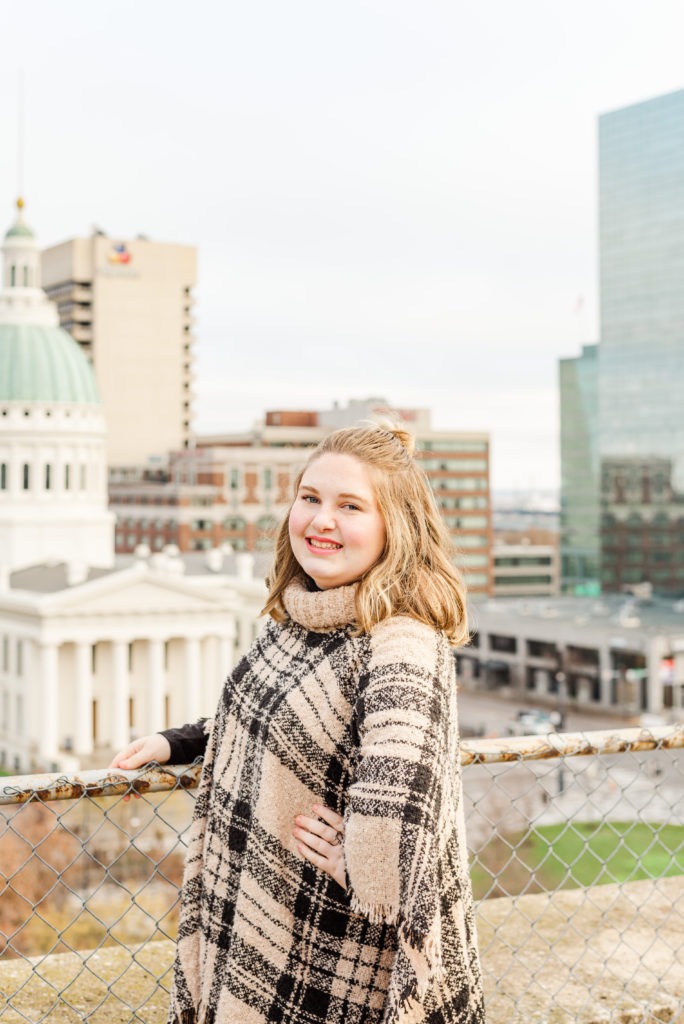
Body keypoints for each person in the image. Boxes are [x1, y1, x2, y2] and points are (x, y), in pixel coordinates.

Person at [111, 424, 486, 1024]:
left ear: (397, 525)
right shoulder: (304, 618)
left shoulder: (401, 641)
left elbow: (405, 783)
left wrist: (367, 865)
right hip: (260, 919)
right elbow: (274, 716)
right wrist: (175, 742)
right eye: (310, 498)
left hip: (332, 943)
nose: (321, 520)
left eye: (350, 506)